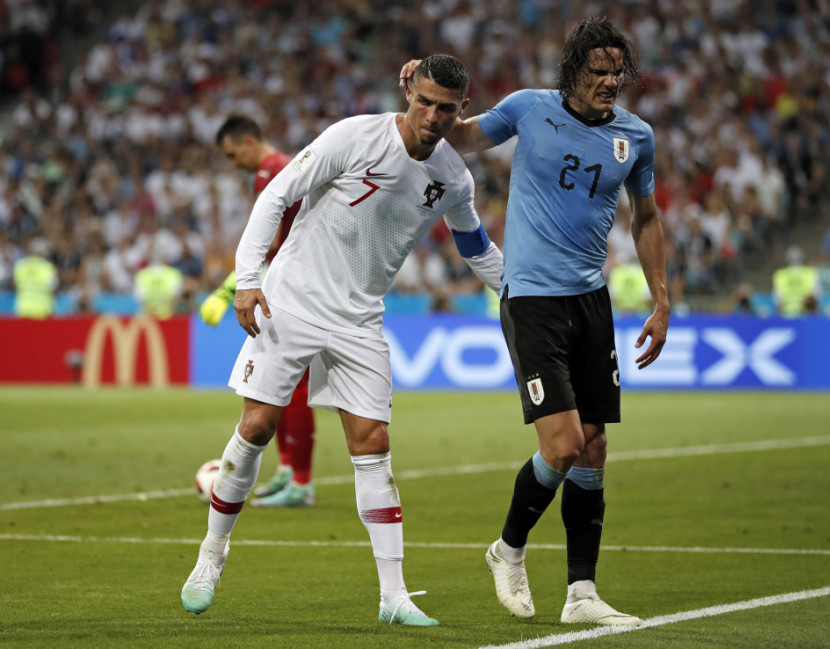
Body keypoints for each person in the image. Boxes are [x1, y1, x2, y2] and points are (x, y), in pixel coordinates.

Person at [180, 54, 504, 626]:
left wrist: (523, 294)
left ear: (463, 108)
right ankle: (211, 556)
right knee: (256, 427)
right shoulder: (354, 136)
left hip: (359, 319)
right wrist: (247, 279)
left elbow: (474, 246)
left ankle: (393, 597)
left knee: (373, 444)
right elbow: (275, 196)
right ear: (409, 93)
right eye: (425, 102)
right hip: (292, 301)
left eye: (447, 109)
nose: (433, 116)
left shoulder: (454, 177)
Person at [401, 16, 669, 626]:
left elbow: (647, 217)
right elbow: (459, 135)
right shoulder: (529, 108)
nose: (610, 81)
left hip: (591, 301)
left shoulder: (636, 136)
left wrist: (661, 299)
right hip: (532, 300)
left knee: (594, 447)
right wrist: (417, 95)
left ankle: (582, 594)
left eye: (617, 72)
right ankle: (507, 549)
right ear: (574, 70)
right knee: (565, 444)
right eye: (598, 71)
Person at [201, 115, 317, 508]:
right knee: (277, 384)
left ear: (249, 141)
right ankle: (287, 469)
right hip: (289, 284)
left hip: (294, 289)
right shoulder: (279, 169)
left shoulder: (274, 170)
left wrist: (231, 285)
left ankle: (301, 482)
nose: (233, 164)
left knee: (291, 385)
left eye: (233, 155)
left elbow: (275, 241)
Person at [13, 238, 58, 319]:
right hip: (43, 311)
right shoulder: (48, 268)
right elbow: (54, 287)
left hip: (24, 309)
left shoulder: (20, 266)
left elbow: (14, 285)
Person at [772, 245, 819, 317]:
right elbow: (816, 297)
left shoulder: (780, 275)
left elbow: (777, 301)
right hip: (804, 317)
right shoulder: (810, 273)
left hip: (789, 316)